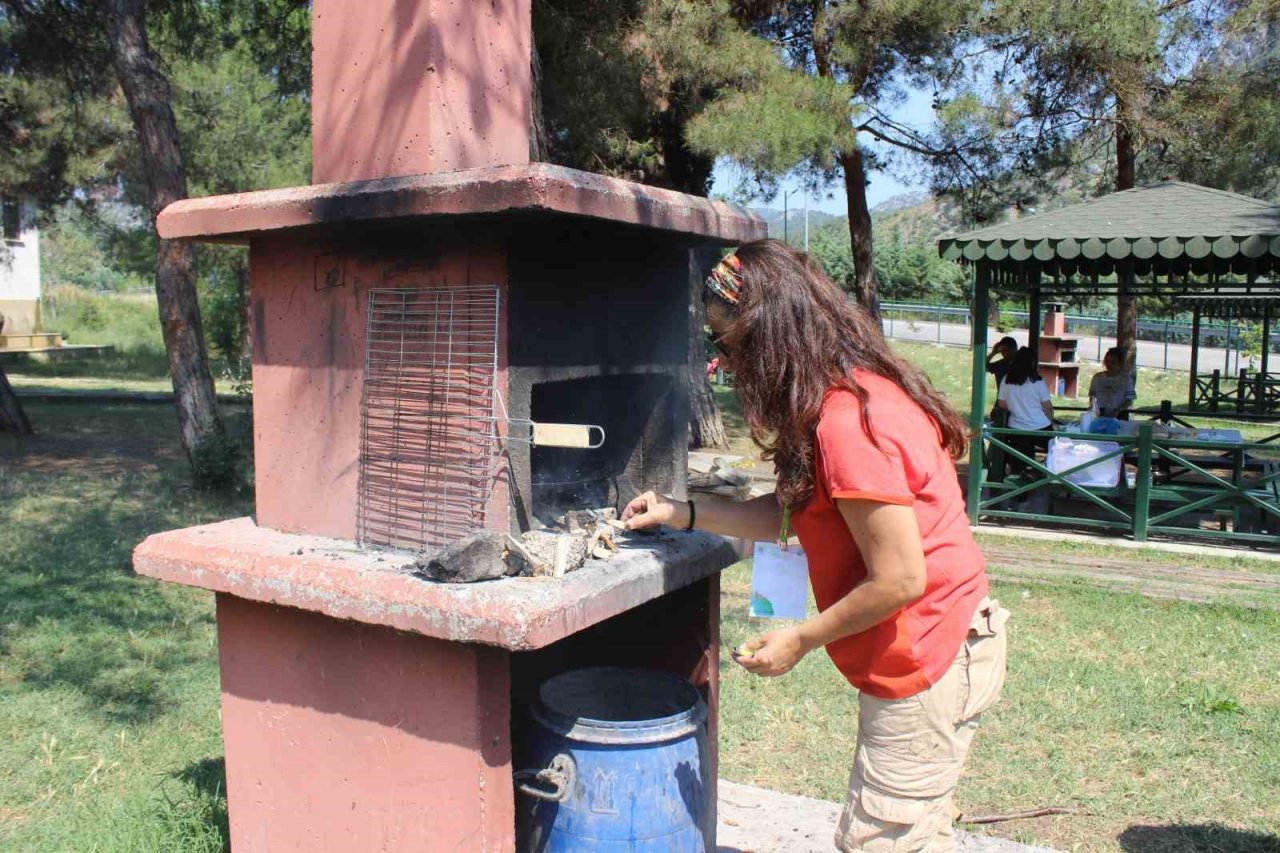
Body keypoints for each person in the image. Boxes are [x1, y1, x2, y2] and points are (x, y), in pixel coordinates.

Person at [623, 240, 1008, 853]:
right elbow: (795, 513)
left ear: (770, 335)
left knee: (877, 840)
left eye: (729, 343)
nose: (724, 364)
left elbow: (900, 579)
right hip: (929, 644)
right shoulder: (838, 398)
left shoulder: (848, 423)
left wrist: (799, 639)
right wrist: (683, 510)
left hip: (929, 650)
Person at [996, 347, 1054, 472]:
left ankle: (1021, 484)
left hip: (1017, 427)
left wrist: (1015, 407)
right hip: (1040, 426)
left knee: (1020, 462)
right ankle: (1046, 475)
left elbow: (1001, 403)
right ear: (1032, 363)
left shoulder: (1006, 380)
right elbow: (1047, 407)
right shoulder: (1038, 381)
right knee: (1057, 452)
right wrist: (1051, 422)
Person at [1088, 346, 1136, 418]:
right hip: (1100, 413)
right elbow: (1092, 397)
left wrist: (1118, 411)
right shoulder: (1097, 378)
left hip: (1120, 414)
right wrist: (1092, 407)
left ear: (1120, 363)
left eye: (1113, 362)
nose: (1109, 364)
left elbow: (1129, 401)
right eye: (1106, 361)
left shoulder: (1126, 379)